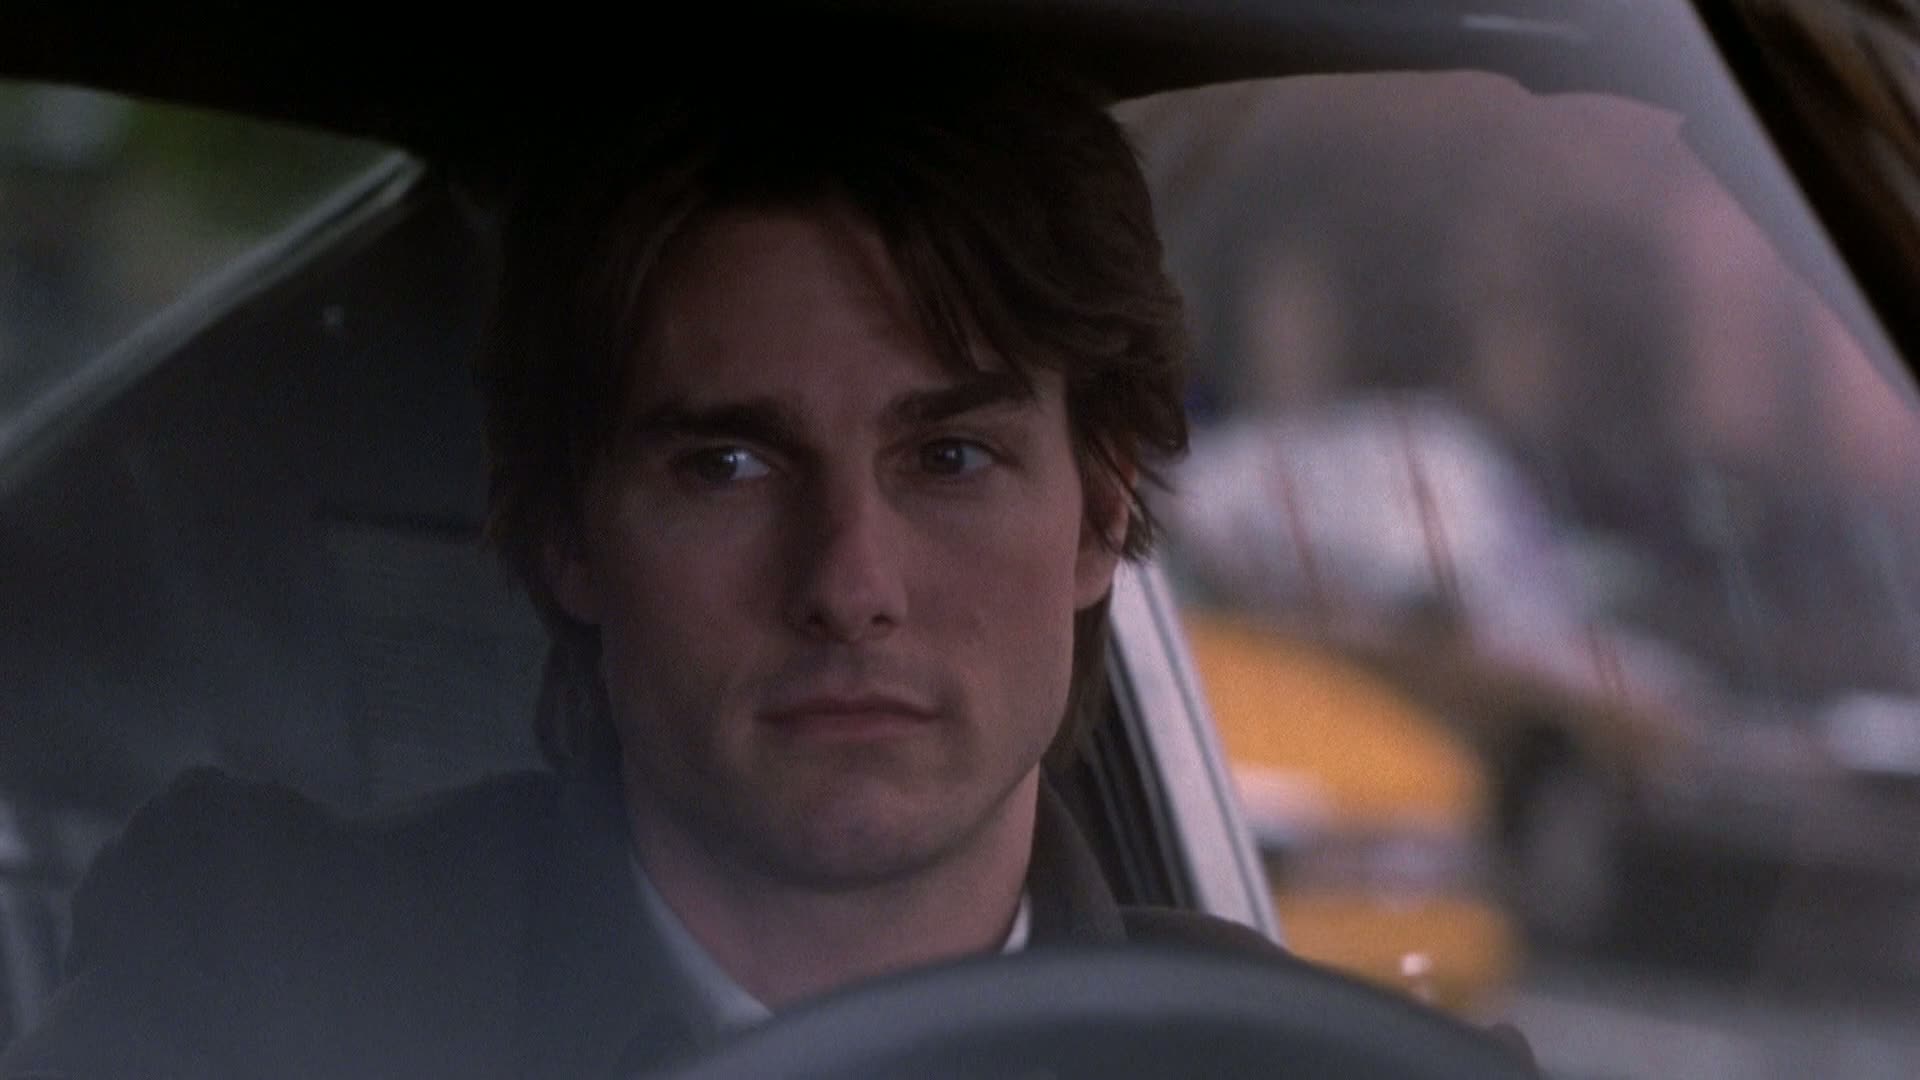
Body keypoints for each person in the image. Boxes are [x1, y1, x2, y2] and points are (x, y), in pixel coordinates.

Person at [3, 38, 1526, 1080]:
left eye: (950, 459)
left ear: (1100, 510)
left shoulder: (1333, 1074)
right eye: (726, 465)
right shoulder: (271, 989)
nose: (849, 583)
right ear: (564, 532)